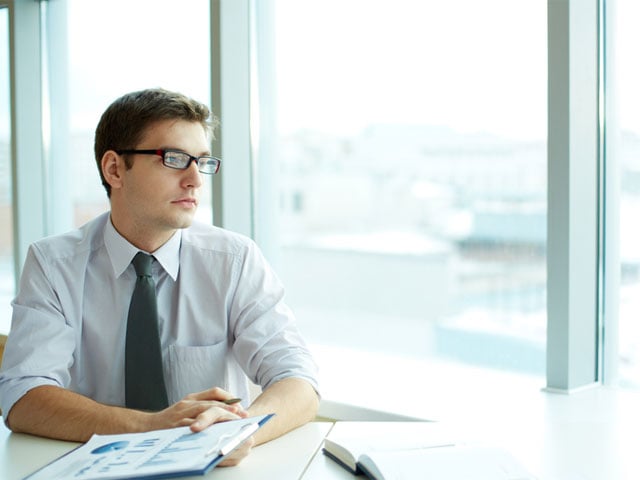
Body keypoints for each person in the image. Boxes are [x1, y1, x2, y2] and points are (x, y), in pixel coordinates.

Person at [0, 88, 319, 466]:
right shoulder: (54, 264)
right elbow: (22, 396)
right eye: (174, 159)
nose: (195, 180)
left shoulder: (233, 260)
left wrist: (237, 432)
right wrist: (151, 426)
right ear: (114, 168)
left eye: (201, 161)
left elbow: (298, 380)